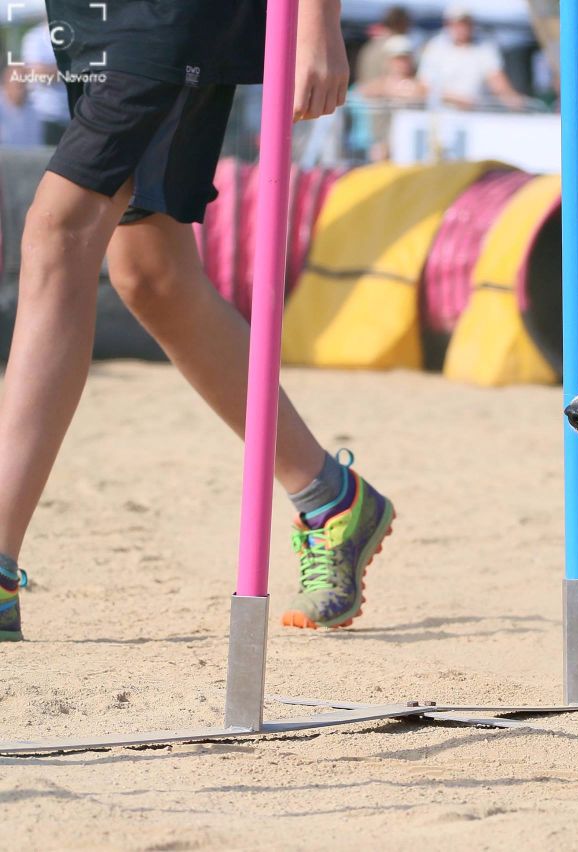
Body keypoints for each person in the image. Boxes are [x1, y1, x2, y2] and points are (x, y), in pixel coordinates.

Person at [0, 0, 395, 642]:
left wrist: (318, 18)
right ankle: (331, 499)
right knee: (150, 273)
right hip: (92, 16)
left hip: (175, 15)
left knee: (59, 229)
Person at [418, 5, 524, 110]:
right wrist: (456, 99)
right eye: (458, 23)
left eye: (466, 23)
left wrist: (511, 98)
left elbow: (496, 78)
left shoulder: (485, 46)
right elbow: (424, 85)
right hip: (441, 114)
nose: (462, 28)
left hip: (476, 114)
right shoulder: (435, 46)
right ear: (448, 24)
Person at [359, 34, 428, 161]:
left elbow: (422, 91)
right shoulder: (380, 83)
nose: (401, 63)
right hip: (382, 142)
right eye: (397, 59)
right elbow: (364, 90)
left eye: (404, 59)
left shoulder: (419, 84)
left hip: (411, 146)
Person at [20, 20, 70, 145]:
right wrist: (70, 69)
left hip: (72, 118)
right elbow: (38, 74)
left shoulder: (76, 36)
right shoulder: (34, 37)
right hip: (44, 116)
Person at [356, 5, 412, 85]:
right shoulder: (397, 44)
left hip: (364, 92)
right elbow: (400, 80)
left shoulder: (371, 44)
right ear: (403, 23)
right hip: (382, 94)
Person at [0, 66, 43, 148]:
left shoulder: (34, 114)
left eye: (24, 84)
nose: (22, 89)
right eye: (18, 84)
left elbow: (36, 148)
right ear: (5, 84)